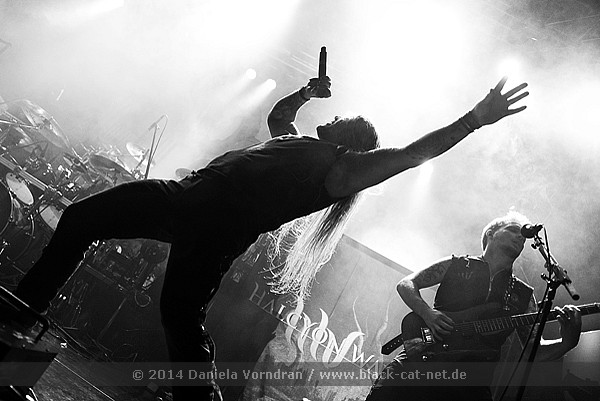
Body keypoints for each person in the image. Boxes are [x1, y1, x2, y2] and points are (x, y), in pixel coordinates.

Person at [7, 75, 528, 400]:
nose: (332, 116)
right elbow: (280, 116)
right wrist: (305, 92)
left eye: (340, 117)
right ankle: (16, 324)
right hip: (182, 199)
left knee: (179, 318)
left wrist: (473, 120)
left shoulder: (337, 170)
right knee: (82, 220)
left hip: (211, 231)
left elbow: (412, 154)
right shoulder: (296, 144)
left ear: (350, 138)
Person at [366, 211, 582, 401]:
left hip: (469, 385)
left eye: (523, 237)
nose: (520, 237)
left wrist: (567, 342)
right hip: (420, 365)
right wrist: (428, 314)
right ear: (491, 233)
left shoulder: (524, 295)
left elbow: (534, 351)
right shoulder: (457, 264)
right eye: (513, 230)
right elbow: (406, 284)